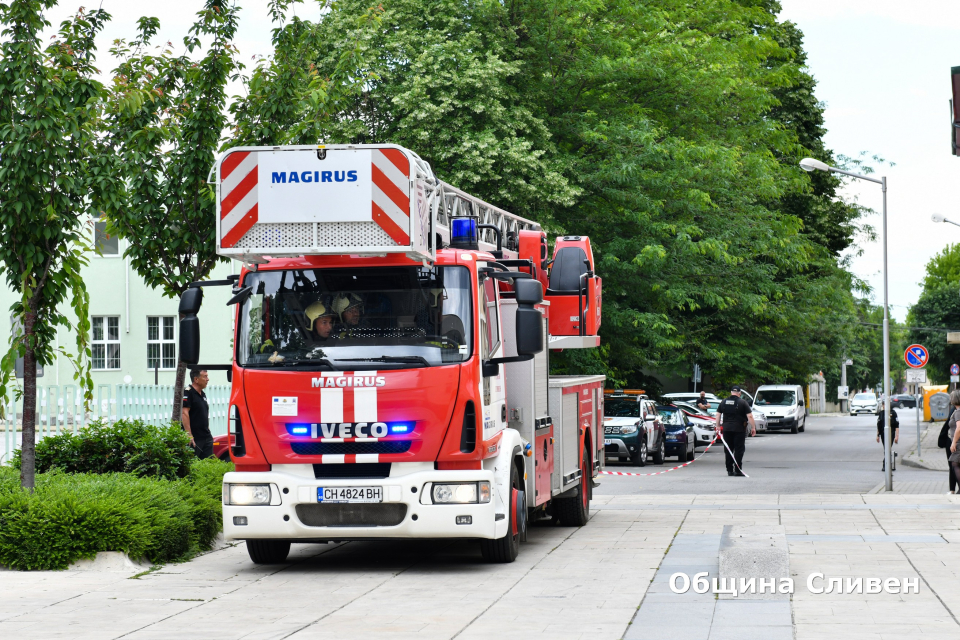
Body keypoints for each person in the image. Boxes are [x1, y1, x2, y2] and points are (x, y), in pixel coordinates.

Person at [715, 385, 756, 476]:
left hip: (727, 429)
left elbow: (718, 415)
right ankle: (738, 470)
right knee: (739, 449)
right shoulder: (743, 402)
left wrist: (717, 426)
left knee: (728, 449)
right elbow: (749, 416)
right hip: (739, 430)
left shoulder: (723, 402)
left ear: (731, 393)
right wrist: (753, 428)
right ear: (739, 393)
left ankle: (729, 470)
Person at [182, 369, 212, 459]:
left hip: (206, 437)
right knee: (193, 465)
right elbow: (184, 413)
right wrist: (189, 435)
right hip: (195, 438)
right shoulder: (188, 392)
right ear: (196, 379)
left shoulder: (202, 394)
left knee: (209, 464)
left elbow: (202, 414)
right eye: (205, 376)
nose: (208, 379)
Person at [876, 405, 899, 471]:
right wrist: (877, 435)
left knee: (887, 448)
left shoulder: (893, 413)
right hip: (883, 433)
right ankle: (887, 463)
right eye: (884, 405)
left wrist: (897, 436)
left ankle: (885, 464)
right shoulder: (881, 413)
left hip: (891, 433)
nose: (885, 406)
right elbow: (879, 425)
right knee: (886, 449)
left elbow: (897, 425)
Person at [947, 391, 960, 492]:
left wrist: (954, 442)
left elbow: (959, 428)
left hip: (958, 443)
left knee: (955, 464)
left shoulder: (958, 412)